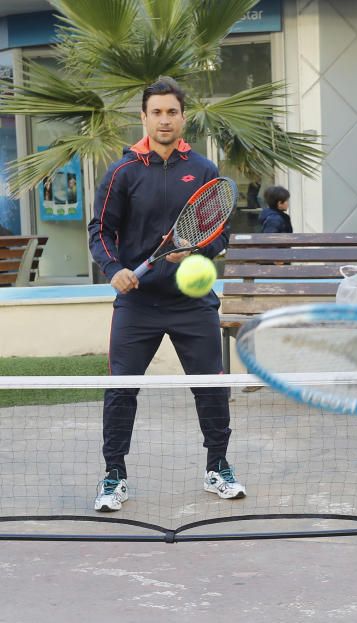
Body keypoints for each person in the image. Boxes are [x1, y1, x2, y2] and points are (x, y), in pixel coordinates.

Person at [87, 76, 246, 513]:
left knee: (210, 388)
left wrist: (196, 248)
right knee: (122, 389)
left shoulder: (204, 171)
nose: (164, 120)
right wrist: (114, 269)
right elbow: (100, 230)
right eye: (156, 112)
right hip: (136, 305)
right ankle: (113, 475)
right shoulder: (122, 172)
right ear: (143, 117)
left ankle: (219, 466)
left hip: (191, 303)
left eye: (171, 112)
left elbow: (218, 235)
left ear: (183, 117)